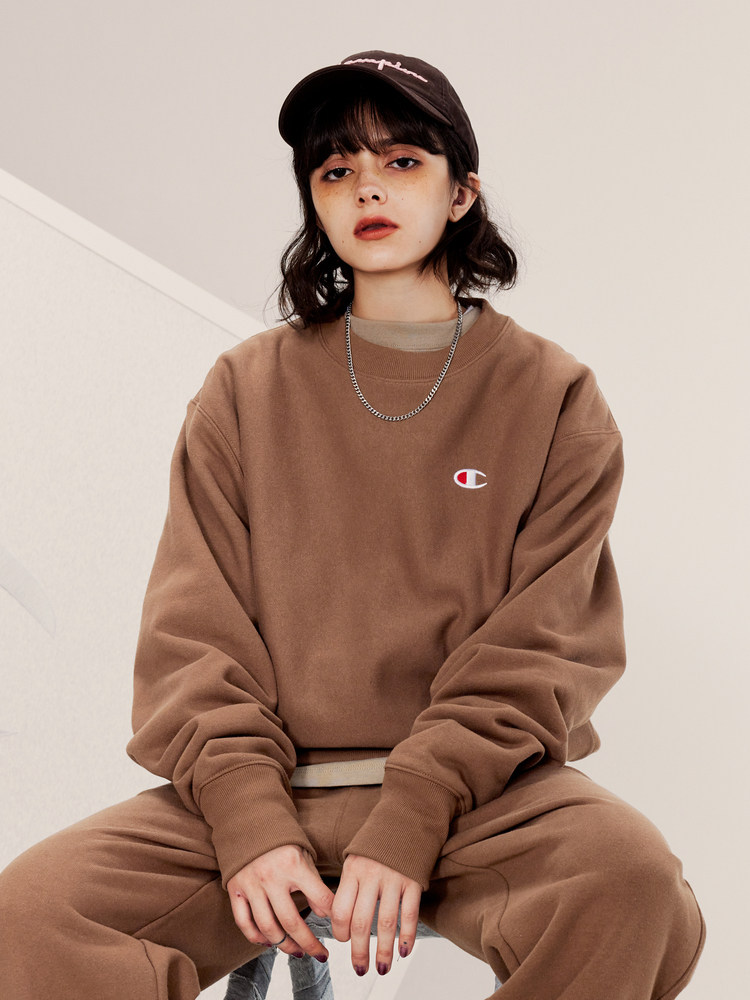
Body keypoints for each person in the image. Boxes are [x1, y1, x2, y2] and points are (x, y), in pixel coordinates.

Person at [0, 50, 706, 1000]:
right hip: (259, 792)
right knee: (35, 914)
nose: (366, 187)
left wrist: (413, 815)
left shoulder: (552, 396)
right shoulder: (247, 390)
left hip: (476, 803)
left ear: (462, 193)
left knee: (632, 888)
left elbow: (540, 647)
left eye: (402, 161)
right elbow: (194, 633)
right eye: (336, 171)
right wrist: (250, 824)